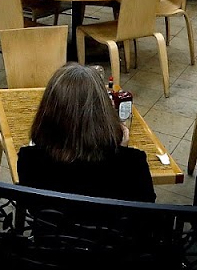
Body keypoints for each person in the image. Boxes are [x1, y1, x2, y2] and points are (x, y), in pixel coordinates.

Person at [16, 63, 155, 203]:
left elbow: (32, 205)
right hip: (108, 224)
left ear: (48, 113)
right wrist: (121, 152)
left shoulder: (29, 159)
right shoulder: (133, 164)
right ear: (104, 112)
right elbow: (146, 211)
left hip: (52, 224)